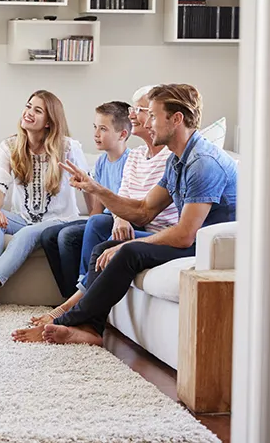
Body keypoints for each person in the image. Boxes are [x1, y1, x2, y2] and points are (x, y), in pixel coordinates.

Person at [13, 83, 237, 345]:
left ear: (176, 119)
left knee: (127, 251)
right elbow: (144, 211)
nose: (146, 123)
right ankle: (92, 329)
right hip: (193, 239)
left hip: (211, 247)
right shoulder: (178, 159)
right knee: (104, 248)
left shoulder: (203, 163)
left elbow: (186, 235)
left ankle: (66, 320)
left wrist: (128, 244)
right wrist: (96, 188)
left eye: (153, 116)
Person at [26, 86, 180, 327]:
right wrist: (118, 215)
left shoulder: (172, 159)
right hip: (127, 220)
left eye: (140, 110)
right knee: (81, 228)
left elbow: (146, 211)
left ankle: (76, 305)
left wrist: (116, 212)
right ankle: (75, 300)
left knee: (89, 230)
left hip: (152, 228)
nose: (131, 115)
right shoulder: (137, 156)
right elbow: (125, 198)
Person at [0, 90, 89, 315]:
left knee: (26, 234)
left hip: (60, 221)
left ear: (49, 121)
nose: (29, 113)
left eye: (38, 110)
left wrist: (93, 217)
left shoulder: (68, 147)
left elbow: (88, 184)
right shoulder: (10, 146)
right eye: (28, 106)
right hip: (24, 219)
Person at [40, 101, 132, 298]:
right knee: (48, 236)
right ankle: (70, 296)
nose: (96, 134)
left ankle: (84, 291)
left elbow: (129, 205)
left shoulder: (131, 161)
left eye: (103, 129)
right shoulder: (101, 162)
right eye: (95, 127)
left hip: (120, 221)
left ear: (122, 134)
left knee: (68, 236)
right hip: (102, 221)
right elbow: (96, 211)